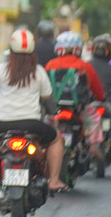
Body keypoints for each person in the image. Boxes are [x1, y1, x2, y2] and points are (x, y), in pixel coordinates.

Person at [0, 27, 67, 193]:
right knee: (57, 140)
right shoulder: (39, 72)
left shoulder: (0, 71)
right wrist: (53, 111)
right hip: (32, 125)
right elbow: (48, 101)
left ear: (11, 49)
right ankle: (54, 181)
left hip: (2, 125)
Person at [45, 31, 106, 165]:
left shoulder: (50, 64)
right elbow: (96, 89)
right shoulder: (84, 65)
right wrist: (100, 97)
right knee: (95, 119)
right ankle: (94, 147)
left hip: (55, 108)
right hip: (78, 108)